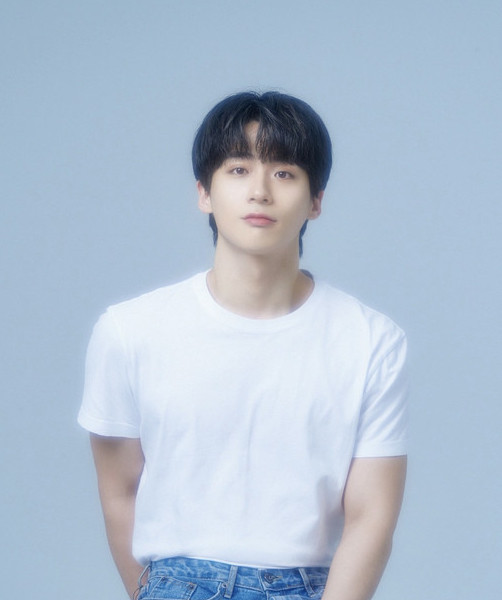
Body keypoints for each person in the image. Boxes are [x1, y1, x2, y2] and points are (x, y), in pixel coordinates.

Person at [79, 91, 408, 600]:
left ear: (316, 200)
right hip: (176, 585)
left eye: (284, 173)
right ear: (204, 193)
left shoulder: (371, 340)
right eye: (237, 170)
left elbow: (372, 517)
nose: (259, 191)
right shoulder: (129, 330)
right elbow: (120, 493)